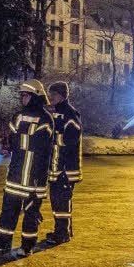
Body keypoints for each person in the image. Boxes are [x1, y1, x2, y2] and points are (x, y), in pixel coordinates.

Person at [0, 80, 54, 258]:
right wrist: (6, 145)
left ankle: (27, 246)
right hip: (15, 175)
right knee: (8, 210)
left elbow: (38, 145)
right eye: (21, 95)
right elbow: (15, 139)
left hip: (33, 177)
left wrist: (14, 141)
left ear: (36, 96)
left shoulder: (45, 119)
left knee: (31, 214)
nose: (22, 98)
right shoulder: (18, 116)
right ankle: (2, 242)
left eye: (25, 95)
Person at [39, 81, 82, 248]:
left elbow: (71, 140)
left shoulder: (70, 114)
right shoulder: (56, 112)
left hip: (66, 168)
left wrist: (52, 137)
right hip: (56, 168)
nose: (51, 97)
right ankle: (62, 230)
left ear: (62, 95)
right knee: (56, 201)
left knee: (62, 202)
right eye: (50, 94)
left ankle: (62, 234)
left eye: (54, 95)